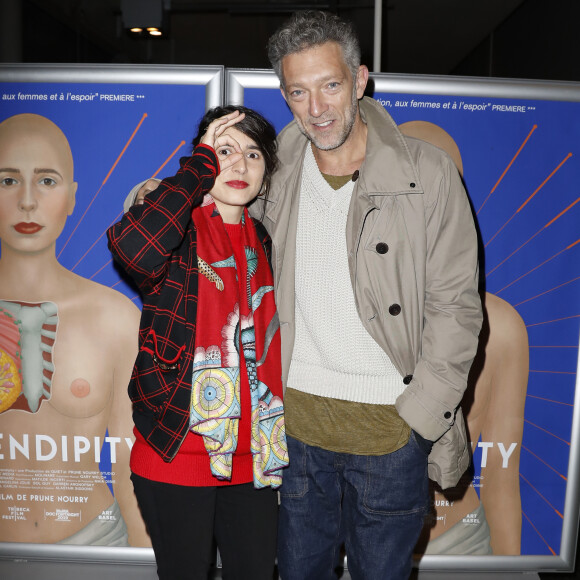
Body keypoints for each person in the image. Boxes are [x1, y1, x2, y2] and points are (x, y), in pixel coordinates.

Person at [261, 10, 483, 579]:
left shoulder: (428, 175)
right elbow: (209, 219)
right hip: (297, 432)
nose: (317, 108)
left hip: (391, 434)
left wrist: (421, 417)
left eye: (331, 85)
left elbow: (456, 306)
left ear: (360, 81)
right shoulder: (274, 169)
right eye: (298, 92)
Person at [107, 106, 288, 580]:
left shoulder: (266, 241)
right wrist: (199, 164)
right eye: (225, 150)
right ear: (204, 160)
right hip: (177, 452)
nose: (240, 165)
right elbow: (134, 248)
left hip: (253, 460)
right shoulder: (177, 229)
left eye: (253, 154)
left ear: (267, 173)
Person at [0, 113, 148, 546]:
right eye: (8, 180)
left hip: (96, 542)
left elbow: (129, 465)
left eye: (46, 181)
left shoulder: (116, 318)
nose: (27, 201)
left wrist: (144, 564)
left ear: (71, 196)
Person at [398, 122, 528, 556]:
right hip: (358, 541)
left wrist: (507, 570)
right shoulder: (344, 311)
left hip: (461, 542)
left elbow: (501, 477)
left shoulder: (503, 326)